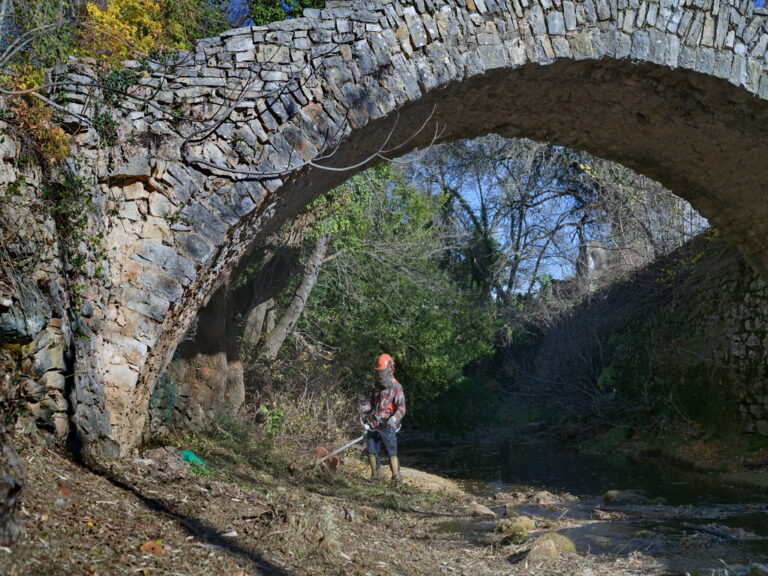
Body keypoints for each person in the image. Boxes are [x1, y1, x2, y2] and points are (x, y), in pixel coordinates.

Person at [359, 353, 406, 486]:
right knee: (371, 450)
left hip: (388, 425)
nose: (380, 375)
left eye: (382, 372)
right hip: (374, 424)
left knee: (391, 452)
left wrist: (394, 418)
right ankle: (376, 476)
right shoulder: (377, 387)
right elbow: (372, 405)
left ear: (389, 369)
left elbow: (402, 407)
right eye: (379, 372)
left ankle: (396, 478)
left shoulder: (397, 387)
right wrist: (365, 407)